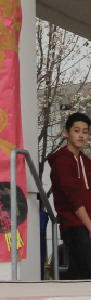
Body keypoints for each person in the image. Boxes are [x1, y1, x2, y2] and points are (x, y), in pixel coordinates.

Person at [48, 112, 91, 279]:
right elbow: (71, 197)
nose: (81, 135)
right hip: (74, 225)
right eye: (77, 130)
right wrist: (89, 225)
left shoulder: (86, 161)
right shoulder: (62, 161)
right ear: (67, 132)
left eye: (85, 131)